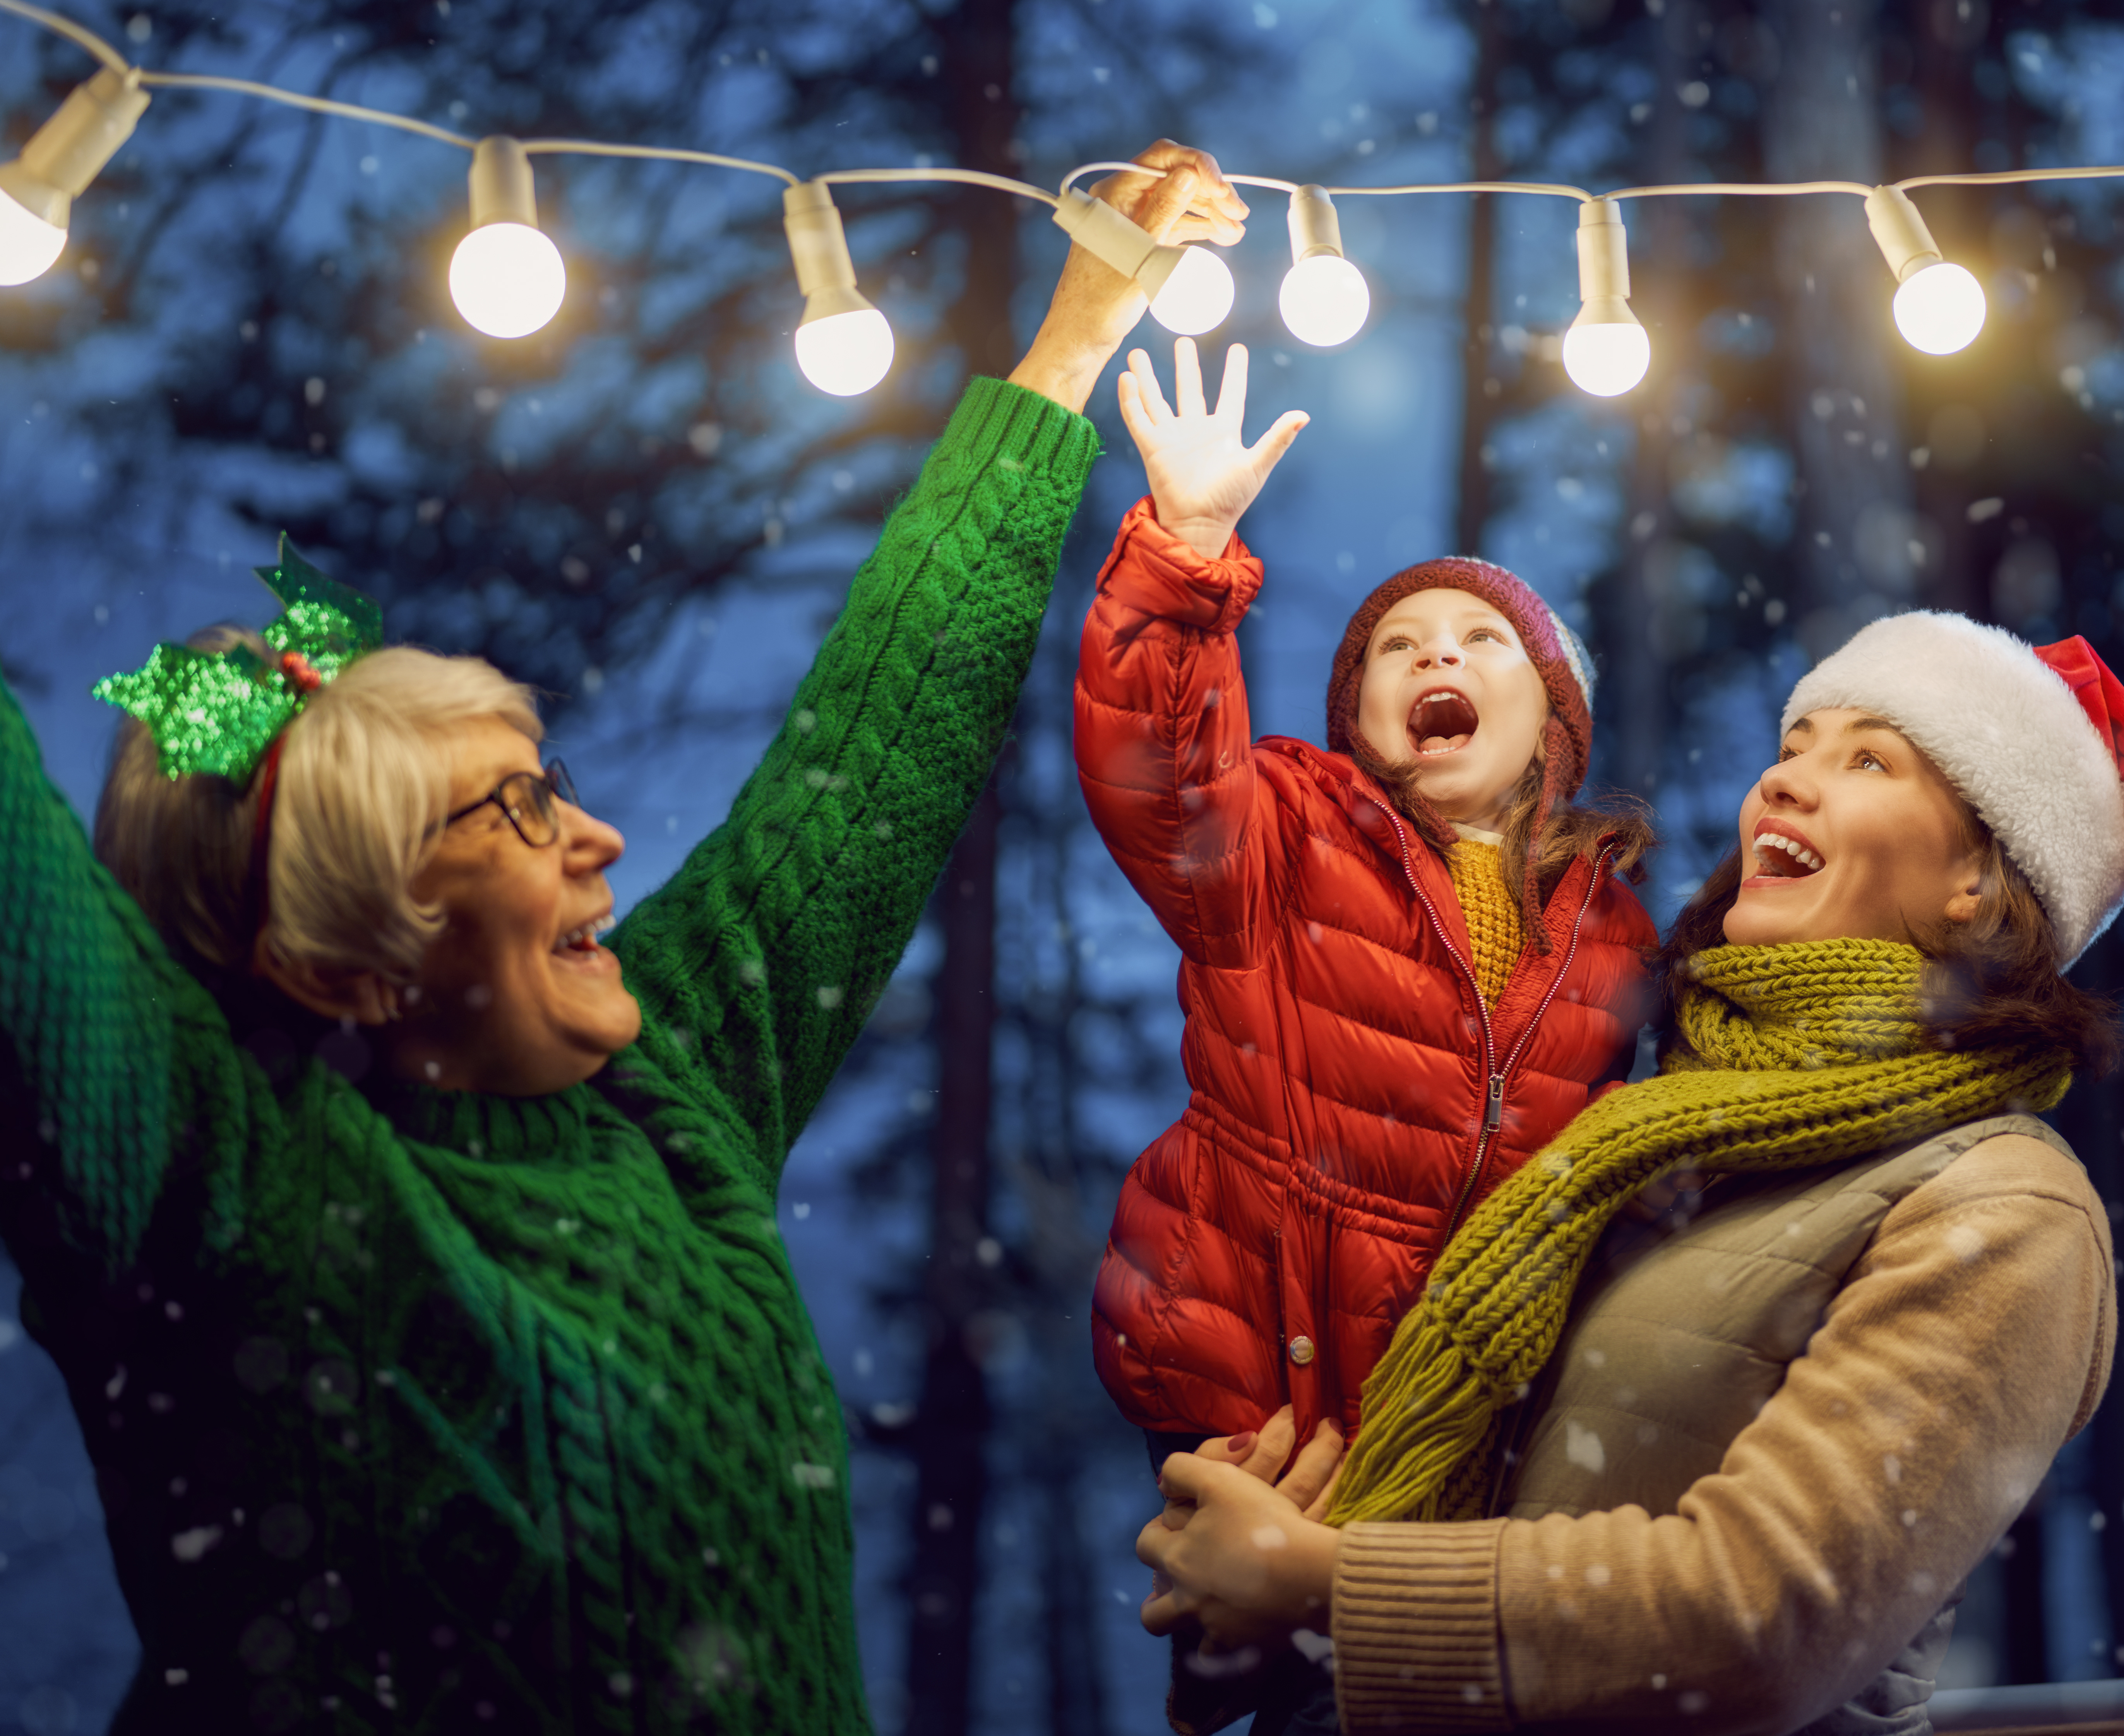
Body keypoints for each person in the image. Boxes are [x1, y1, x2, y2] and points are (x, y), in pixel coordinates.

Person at [0, 140, 1244, 1734]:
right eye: (510, 814)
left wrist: (1076, 335)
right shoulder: (216, 1184)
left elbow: (872, 755)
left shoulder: (673, 1087)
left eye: (554, 781)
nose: (596, 837)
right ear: (340, 965)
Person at [1135, 610, 2124, 1734]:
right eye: (1793, 744)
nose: (1784, 780)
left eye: (1866, 759)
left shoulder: (2002, 1207)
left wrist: (1326, 1585)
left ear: (1975, 878)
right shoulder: (1644, 1136)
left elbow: (1761, 1623)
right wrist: (1256, 1596)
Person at [1076, 334, 1660, 1468]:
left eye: (1481, 640)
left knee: (1437, 1644)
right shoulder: (1289, 833)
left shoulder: (1612, 928)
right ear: (1361, 722)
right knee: (1259, 1631)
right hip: (1253, 1372)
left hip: (1463, 1402)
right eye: (1398, 646)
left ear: (1553, 725)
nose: (1434, 653)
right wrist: (1186, 558)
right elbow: (1159, 775)